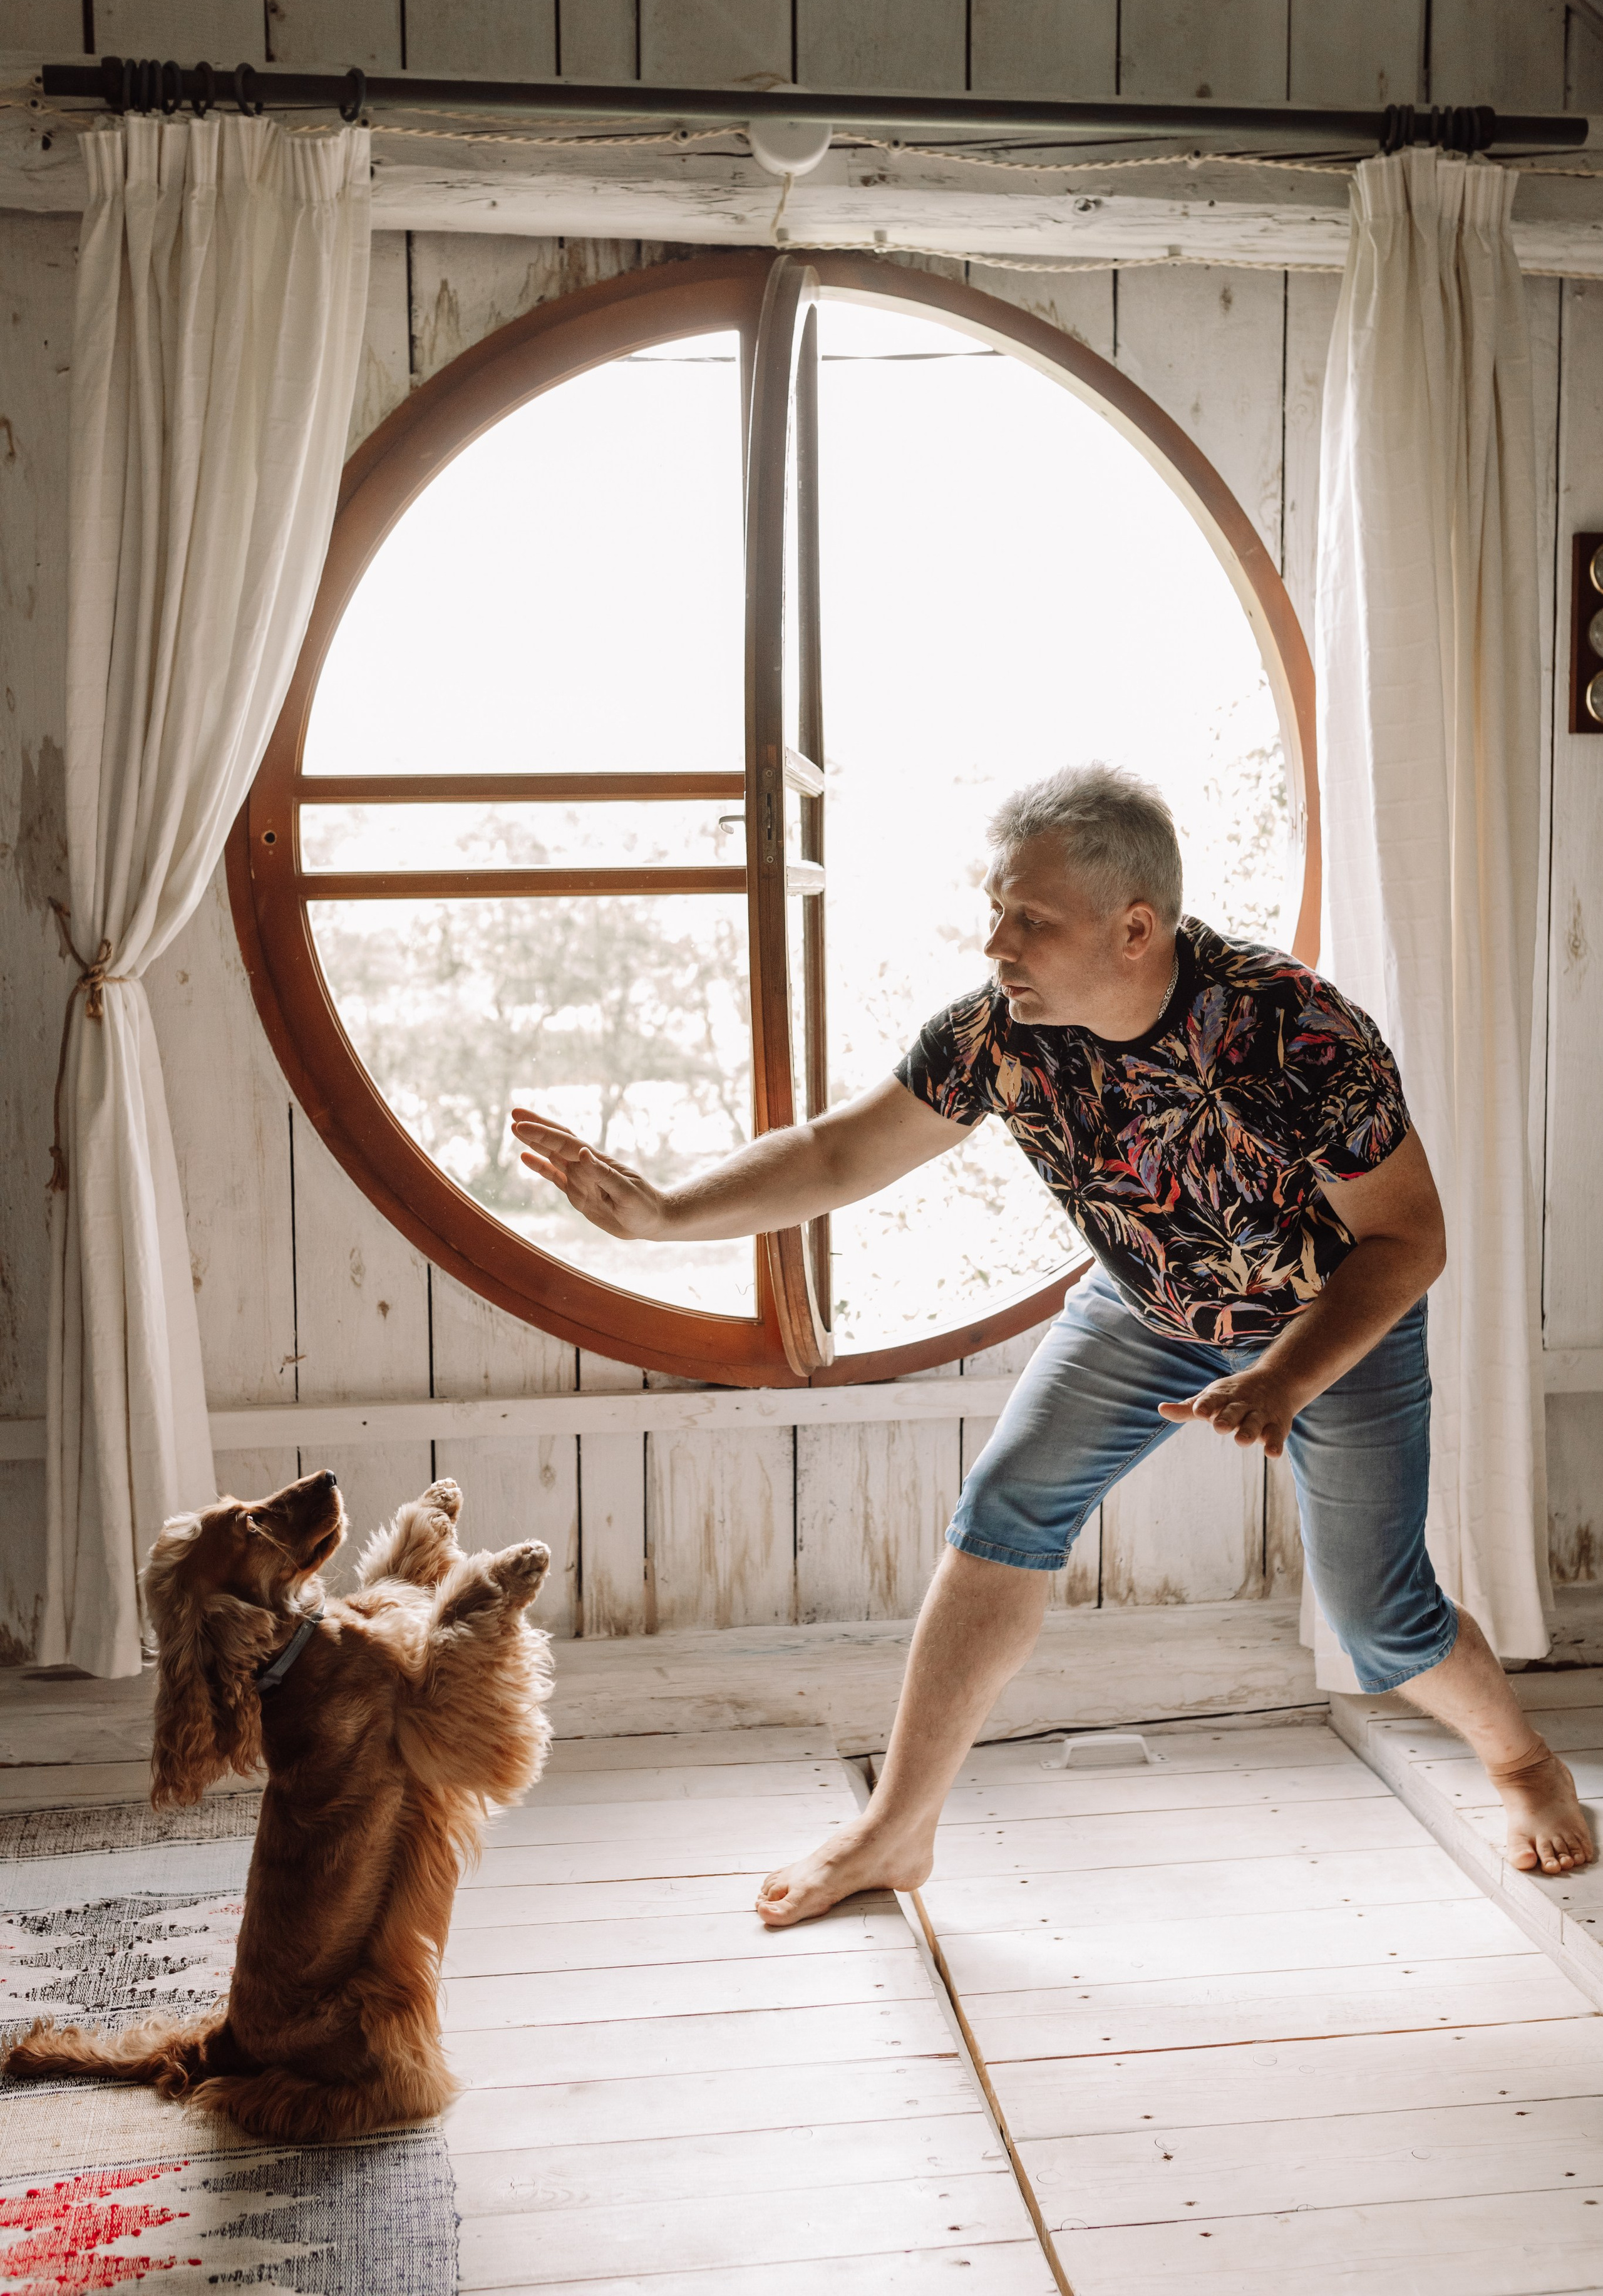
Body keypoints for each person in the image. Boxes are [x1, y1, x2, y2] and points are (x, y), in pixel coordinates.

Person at [511, 763, 1594, 1924]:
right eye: (995, 911)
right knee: (1003, 1514)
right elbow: (836, 1153)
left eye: (1030, 919)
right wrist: (667, 1215)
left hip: (1331, 1322)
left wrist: (1284, 1376)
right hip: (1144, 1309)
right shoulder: (995, 1034)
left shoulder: (1294, 1030)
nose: (997, 945)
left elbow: (1411, 1241)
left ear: (1136, 929)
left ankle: (1523, 1762)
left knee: (1381, 1616)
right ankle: (896, 1829)